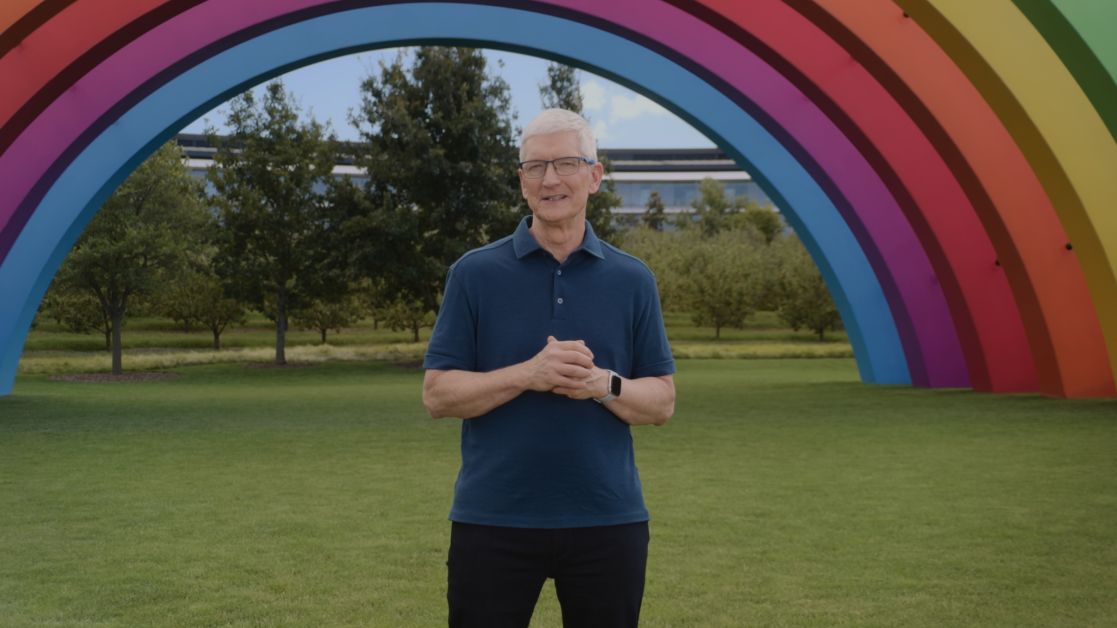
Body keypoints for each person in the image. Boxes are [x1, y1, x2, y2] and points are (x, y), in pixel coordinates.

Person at [422, 108, 676, 628]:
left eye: (566, 163)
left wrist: (603, 384)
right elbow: (438, 396)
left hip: (608, 520)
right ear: (521, 181)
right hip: (492, 520)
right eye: (536, 167)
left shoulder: (633, 280)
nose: (551, 179)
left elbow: (662, 403)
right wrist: (529, 374)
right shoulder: (473, 273)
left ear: (595, 176)